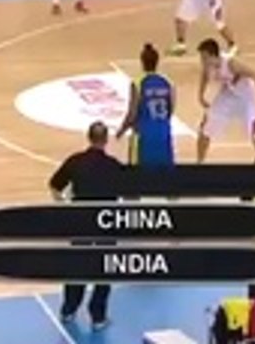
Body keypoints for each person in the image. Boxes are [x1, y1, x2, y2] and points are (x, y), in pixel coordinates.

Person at [49, 121, 124, 331]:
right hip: (106, 223)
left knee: (77, 267)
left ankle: (68, 310)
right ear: (106, 139)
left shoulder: (75, 161)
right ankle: (98, 317)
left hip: (80, 221)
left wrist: (64, 205)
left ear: (89, 137)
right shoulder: (114, 166)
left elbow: (55, 186)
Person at [196, 38, 255, 163]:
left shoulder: (231, 64)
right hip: (228, 95)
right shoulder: (208, 66)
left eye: (204, 57)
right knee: (205, 129)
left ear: (213, 55)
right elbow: (204, 76)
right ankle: (199, 164)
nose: (202, 61)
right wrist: (201, 95)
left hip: (246, 98)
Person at [115, 43, 175, 167]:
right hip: (164, 135)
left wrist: (121, 130)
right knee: (163, 177)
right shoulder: (168, 83)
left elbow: (132, 114)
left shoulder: (138, 83)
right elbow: (171, 110)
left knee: (139, 180)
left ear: (142, 62)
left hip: (143, 136)